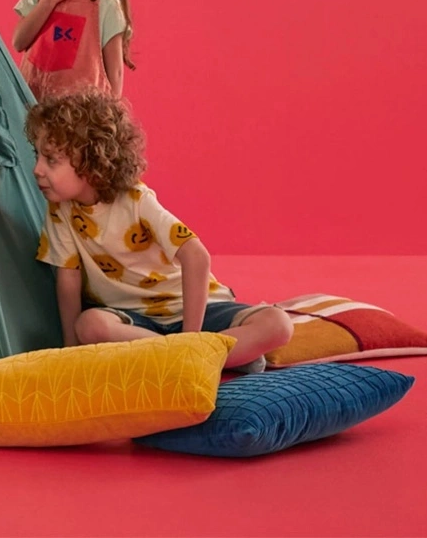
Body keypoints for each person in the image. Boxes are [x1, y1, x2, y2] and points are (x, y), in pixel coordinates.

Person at [26, 90, 292, 371]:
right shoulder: (61, 210)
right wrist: (70, 351)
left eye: (51, 160)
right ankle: (208, 359)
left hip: (191, 311)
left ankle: (189, 355)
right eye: (37, 156)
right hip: (134, 322)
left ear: (91, 164)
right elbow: (68, 279)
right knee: (89, 326)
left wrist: (190, 337)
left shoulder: (136, 200)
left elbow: (196, 256)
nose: (37, 169)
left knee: (278, 324)